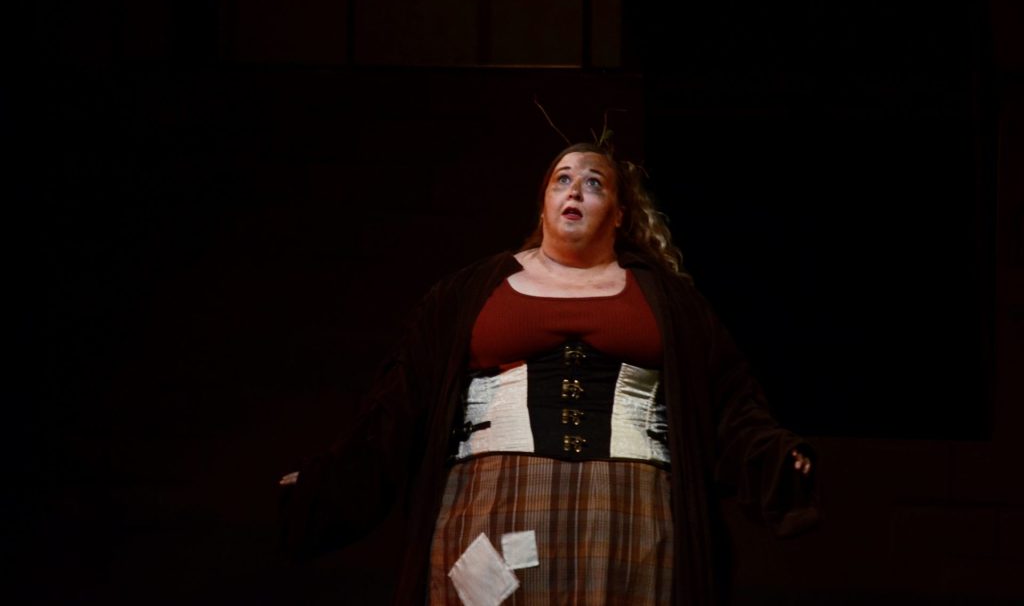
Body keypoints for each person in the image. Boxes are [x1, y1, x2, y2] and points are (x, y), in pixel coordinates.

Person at [279, 141, 819, 606]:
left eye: (594, 183)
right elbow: (399, 401)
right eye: (562, 179)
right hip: (493, 501)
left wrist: (774, 454)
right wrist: (330, 480)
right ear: (543, 205)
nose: (575, 190)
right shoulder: (468, 293)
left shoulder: (670, 303)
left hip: (628, 506)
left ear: (619, 214)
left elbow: (728, 397)